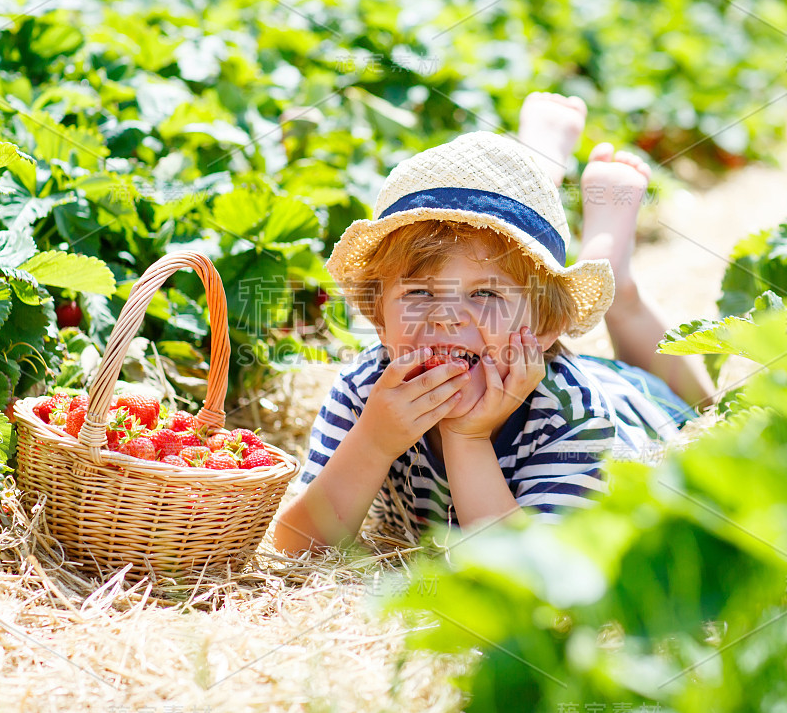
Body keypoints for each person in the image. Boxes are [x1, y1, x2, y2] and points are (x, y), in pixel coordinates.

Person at [272, 92, 715, 553]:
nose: (445, 318)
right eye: (418, 292)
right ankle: (536, 175)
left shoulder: (572, 412)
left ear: (546, 328)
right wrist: (372, 442)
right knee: (510, 256)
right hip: (526, 335)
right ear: (378, 317)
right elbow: (295, 545)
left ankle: (619, 289)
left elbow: (531, 577)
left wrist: (468, 439)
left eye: (484, 294)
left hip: (639, 403)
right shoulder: (368, 389)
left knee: (706, 403)